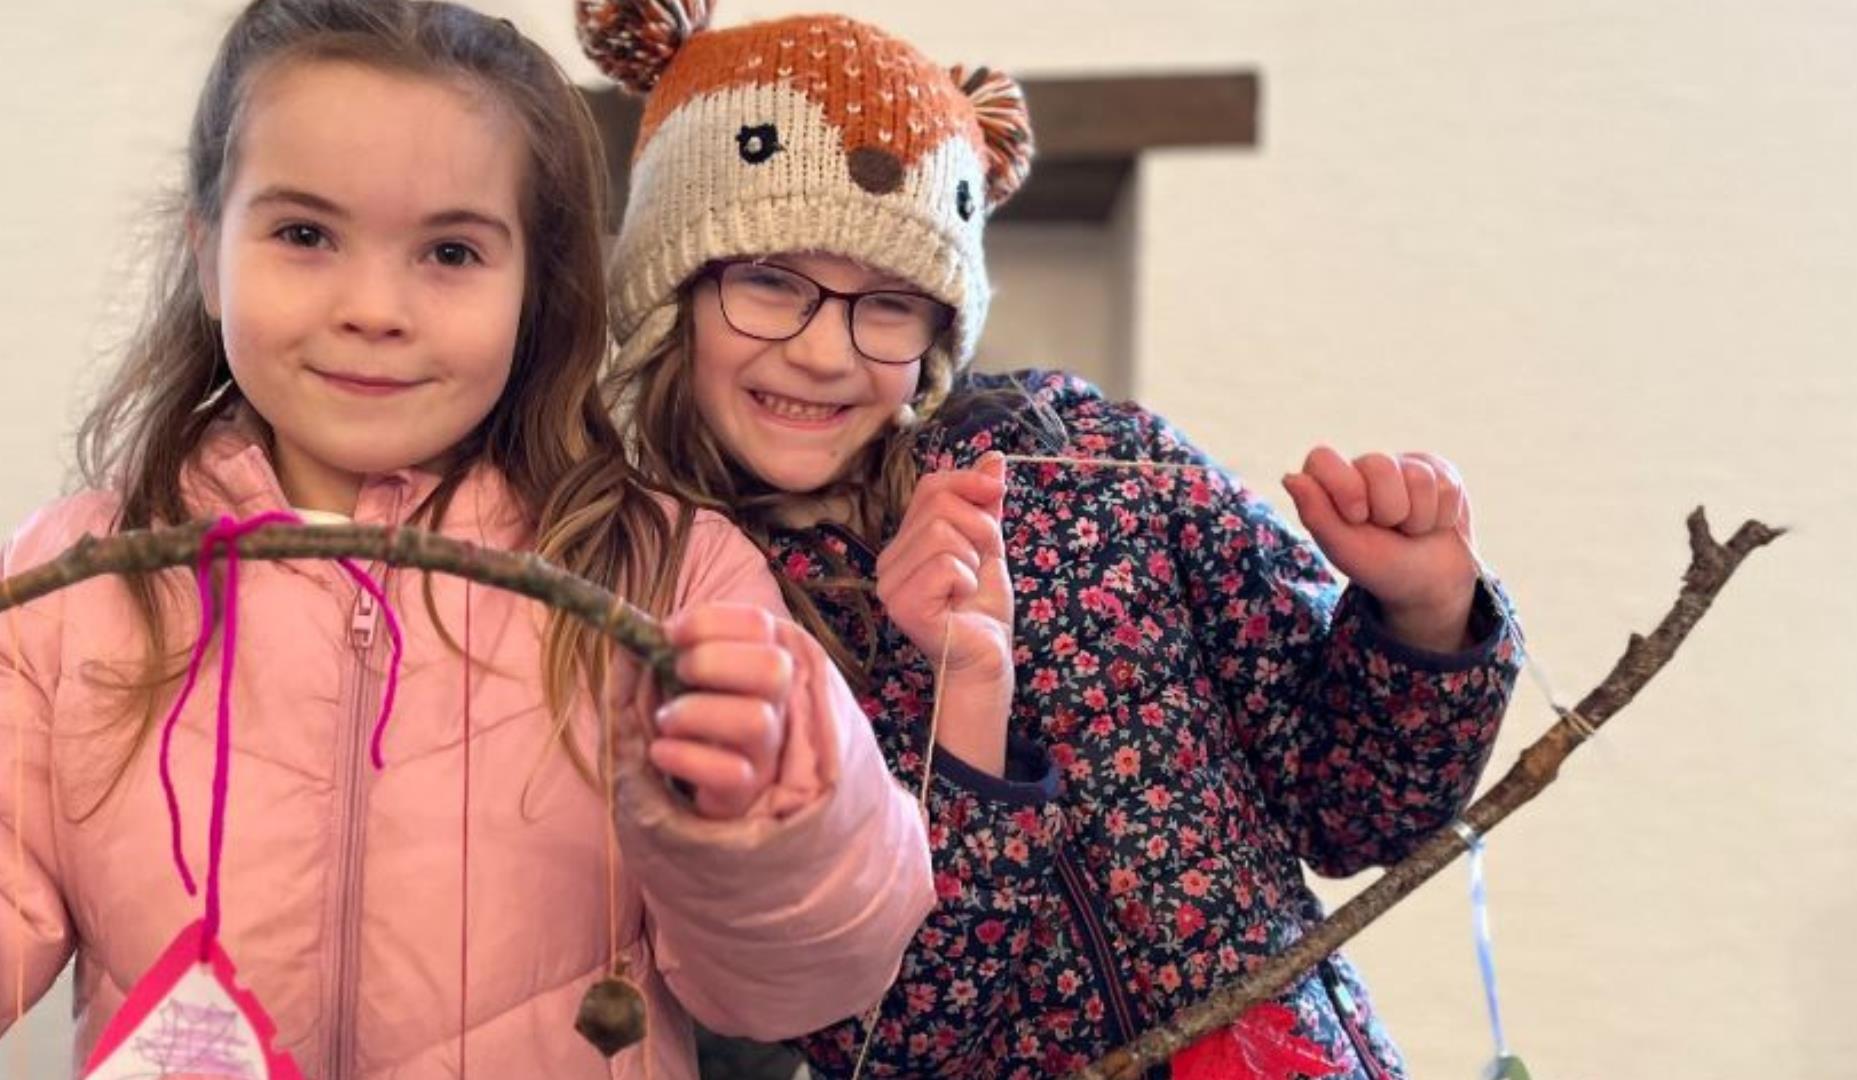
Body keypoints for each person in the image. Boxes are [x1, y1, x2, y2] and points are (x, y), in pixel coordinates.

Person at [581, 3, 1523, 1077]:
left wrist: (1424, 615)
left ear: (939, 325)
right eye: (769, 281)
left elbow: (1352, 809)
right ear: (671, 289)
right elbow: (887, 1036)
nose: (826, 353)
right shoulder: (685, 610)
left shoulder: (1082, 452)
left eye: (888, 302)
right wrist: (967, 713)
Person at [0, 3, 933, 1077]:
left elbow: (806, 984)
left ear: (536, 291)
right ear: (207, 253)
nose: (374, 308)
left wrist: (771, 818)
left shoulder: (672, 577)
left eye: (450, 251)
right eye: (304, 235)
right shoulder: (73, 589)